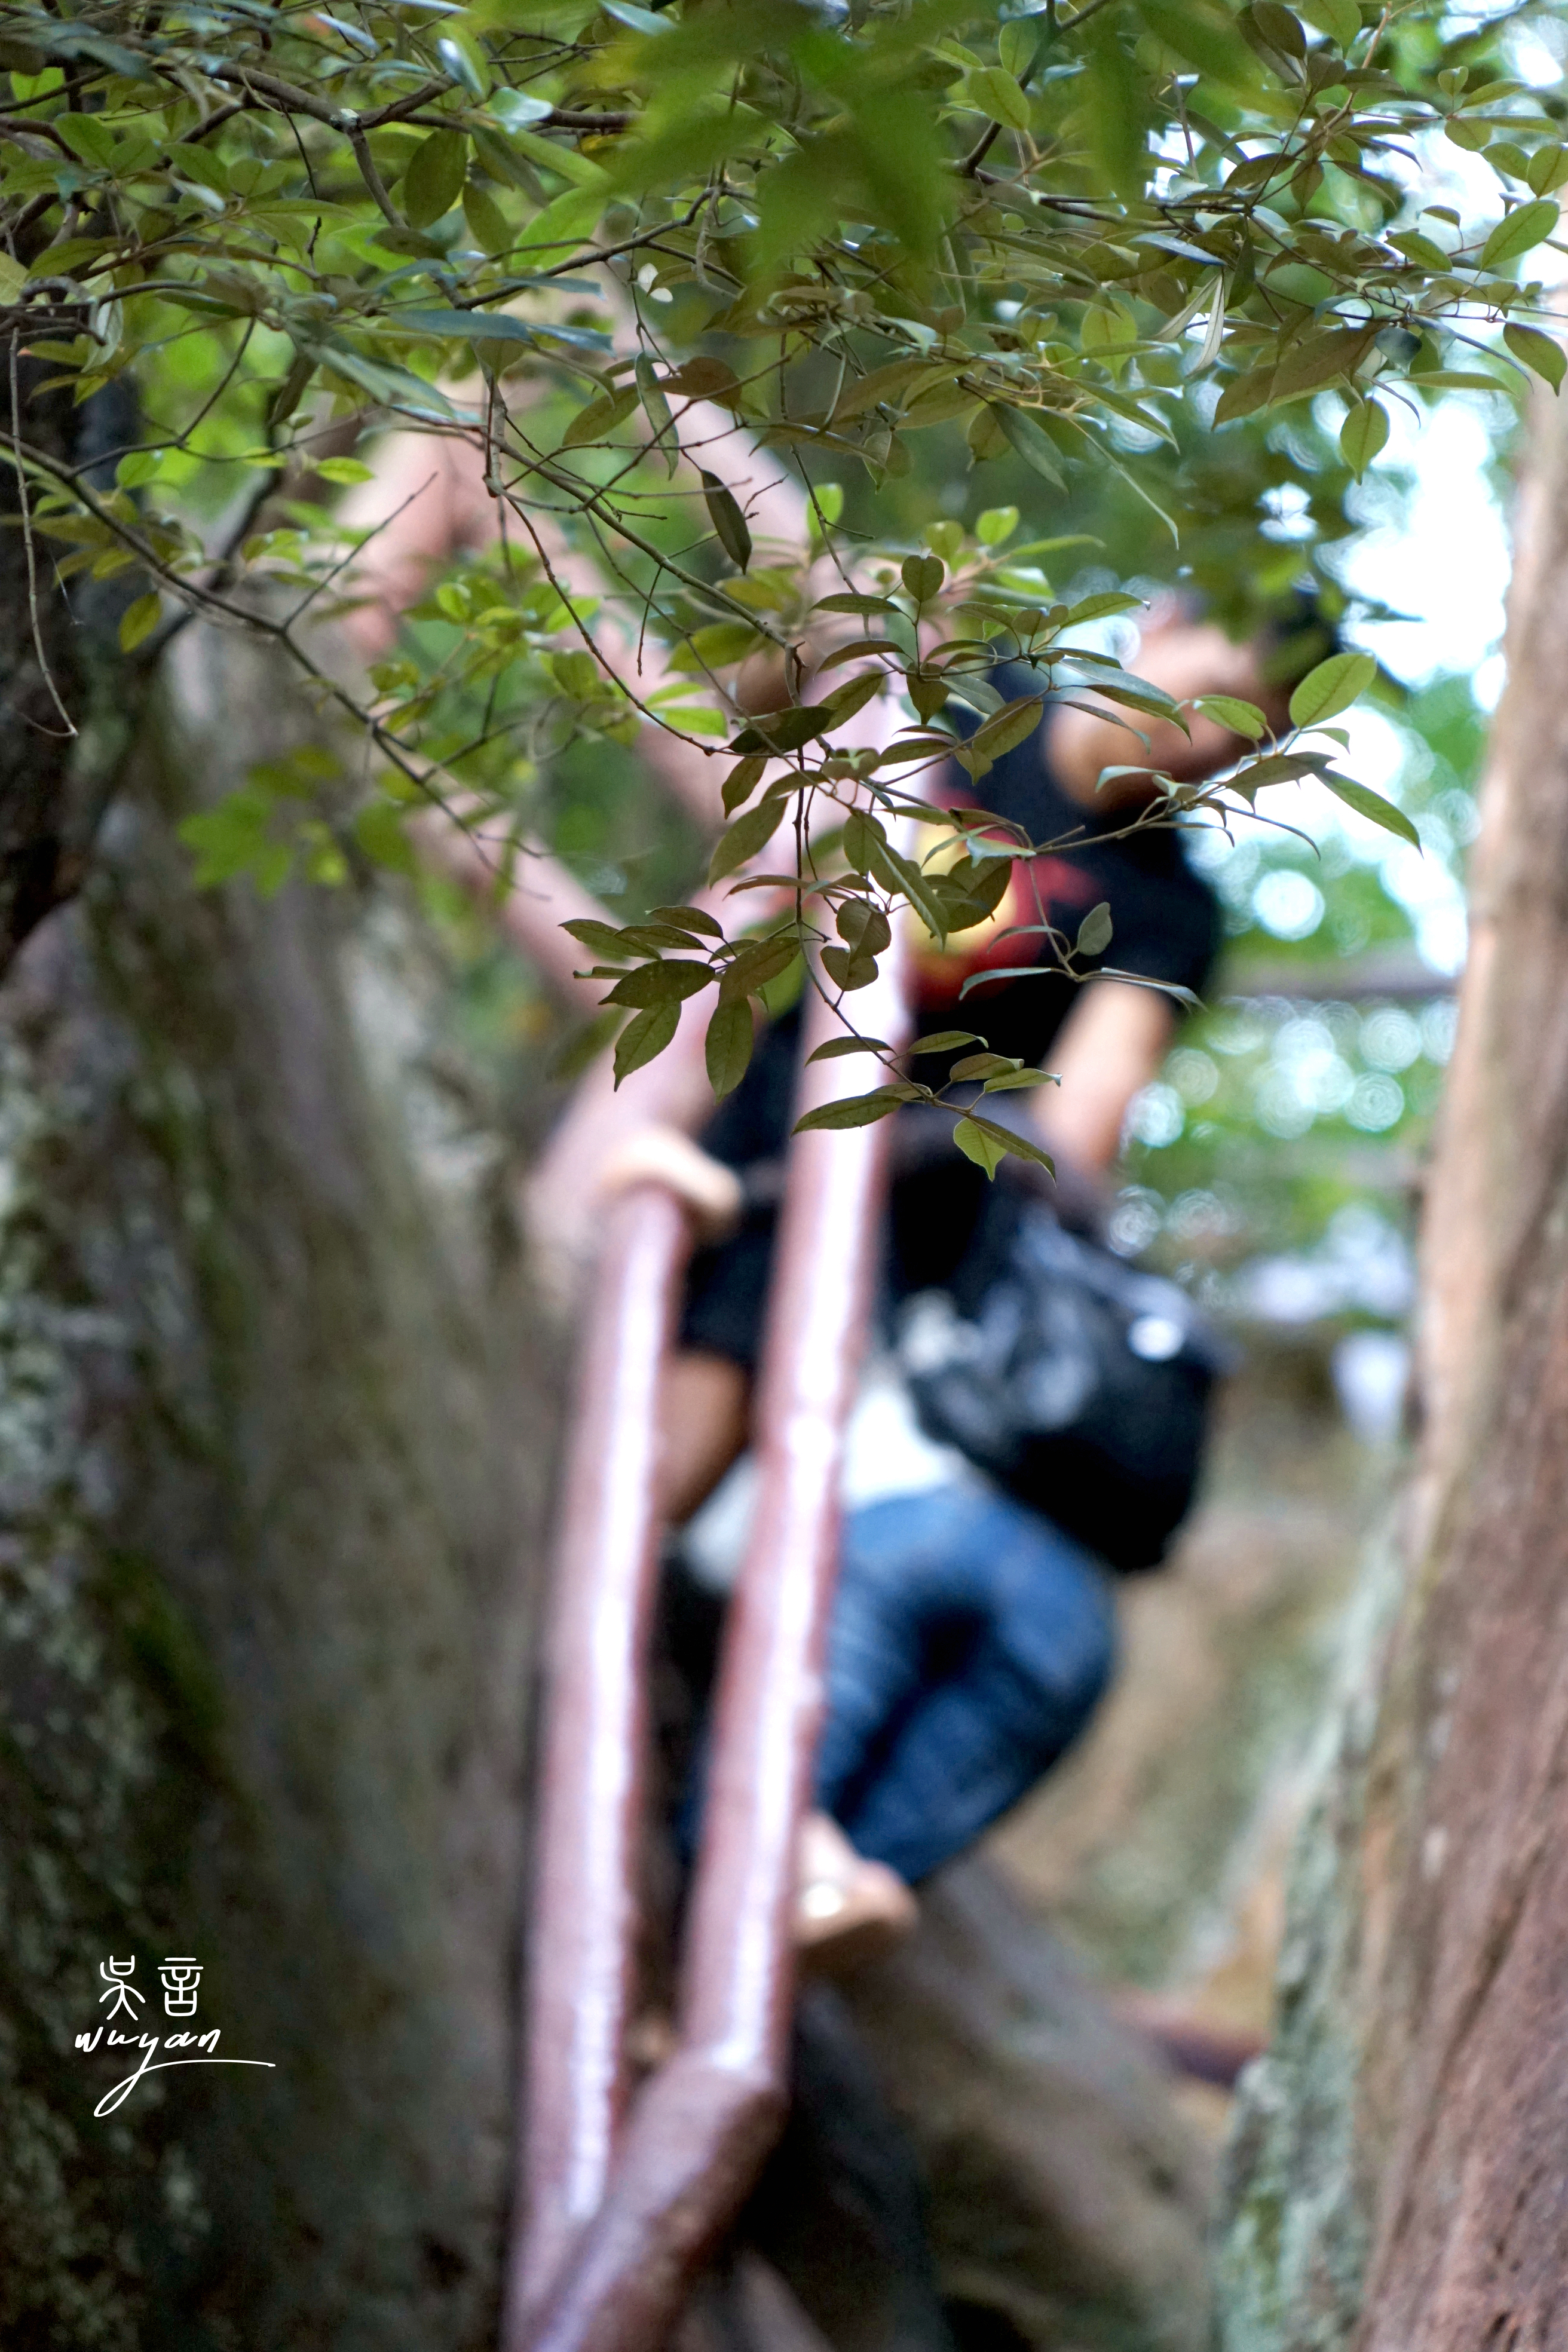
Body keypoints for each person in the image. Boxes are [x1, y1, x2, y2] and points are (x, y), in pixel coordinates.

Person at [605, 601, 1334, 1956]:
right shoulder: (960, 699)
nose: (1206, 749)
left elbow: (1078, 1127)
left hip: (886, 1212)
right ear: (1160, 625)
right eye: (1215, 692)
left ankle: (699, 1762)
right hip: (749, 1090)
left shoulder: (1163, 905)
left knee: (750, 1352)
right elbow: (750, 711)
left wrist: (857, 1174)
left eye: (1254, 742)